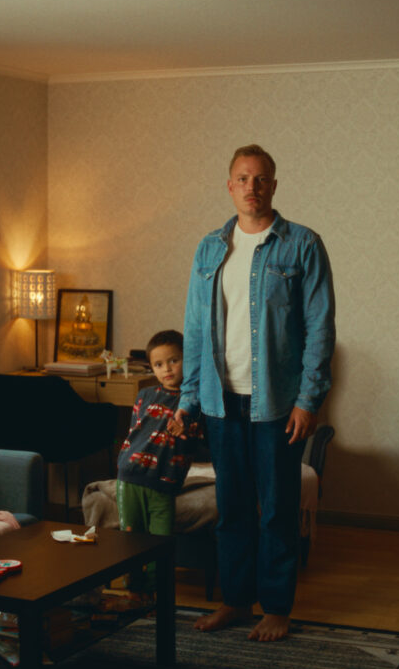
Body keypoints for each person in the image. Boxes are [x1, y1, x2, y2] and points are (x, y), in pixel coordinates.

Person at [173, 144, 335, 641]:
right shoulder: (209, 248)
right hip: (221, 402)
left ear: (274, 186)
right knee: (233, 510)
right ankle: (236, 601)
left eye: (261, 179)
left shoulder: (302, 245)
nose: (252, 187)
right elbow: (195, 330)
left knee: (278, 511)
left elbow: (320, 328)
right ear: (230, 186)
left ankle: (277, 608)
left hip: (277, 404)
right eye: (243, 179)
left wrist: (308, 400)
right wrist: (188, 399)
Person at [115, 329, 204, 603]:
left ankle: (157, 598)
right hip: (130, 477)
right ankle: (134, 593)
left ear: (188, 360)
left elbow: (201, 442)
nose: (167, 369)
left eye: (174, 361)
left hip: (165, 483)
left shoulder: (195, 403)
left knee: (161, 543)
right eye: (158, 364)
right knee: (131, 540)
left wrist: (186, 431)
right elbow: (134, 433)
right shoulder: (144, 395)